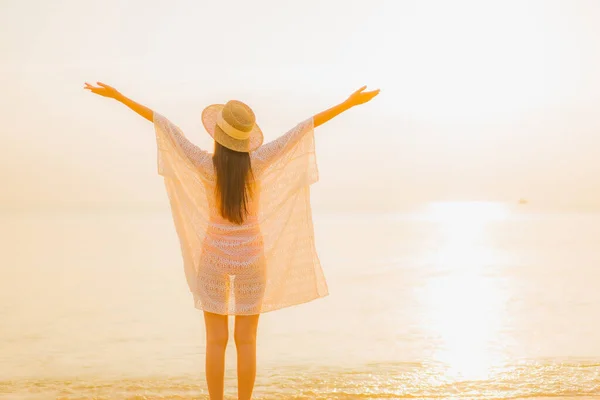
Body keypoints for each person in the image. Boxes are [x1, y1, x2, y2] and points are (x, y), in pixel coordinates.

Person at [84, 81, 380, 400]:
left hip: (213, 259)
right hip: (252, 260)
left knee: (215, 340)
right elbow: (302, 129)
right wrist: (348, 103)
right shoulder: (260, 161)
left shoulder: (203, 164)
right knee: (247, 341)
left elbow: (164, 126)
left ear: (217, 135)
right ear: (245, 138)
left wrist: (118, 96)